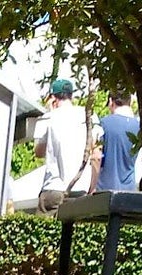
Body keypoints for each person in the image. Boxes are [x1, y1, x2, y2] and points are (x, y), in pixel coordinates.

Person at [36, 78, 95, 213]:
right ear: (71, 96)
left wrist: (49, 112)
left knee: (44, 230)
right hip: (80, 187)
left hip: (53, 186)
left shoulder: (47, 118)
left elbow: (39, 152)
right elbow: (94, 148)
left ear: (53, 98)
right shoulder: (87, 117)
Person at [97, 94, 139, 192]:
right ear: (131, 102)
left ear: (111, 101)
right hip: (130, 189)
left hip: (104, 189)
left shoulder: (103, 124)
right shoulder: (139, 127)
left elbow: (97, 156)